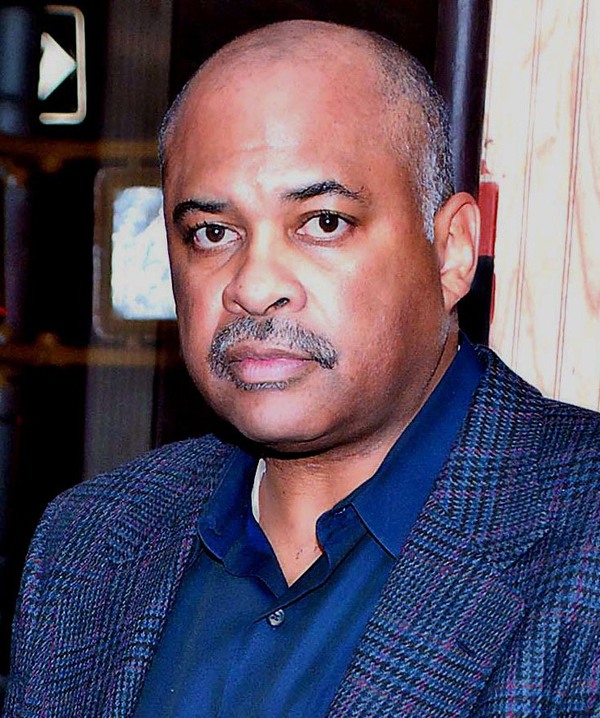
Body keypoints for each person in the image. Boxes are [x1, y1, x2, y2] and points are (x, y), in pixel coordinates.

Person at [3, 19, 600, 718]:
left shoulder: (581, 533)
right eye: (212, 233)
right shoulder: (87, 542)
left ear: (452, 251)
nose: (253, 285)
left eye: (322, 222)